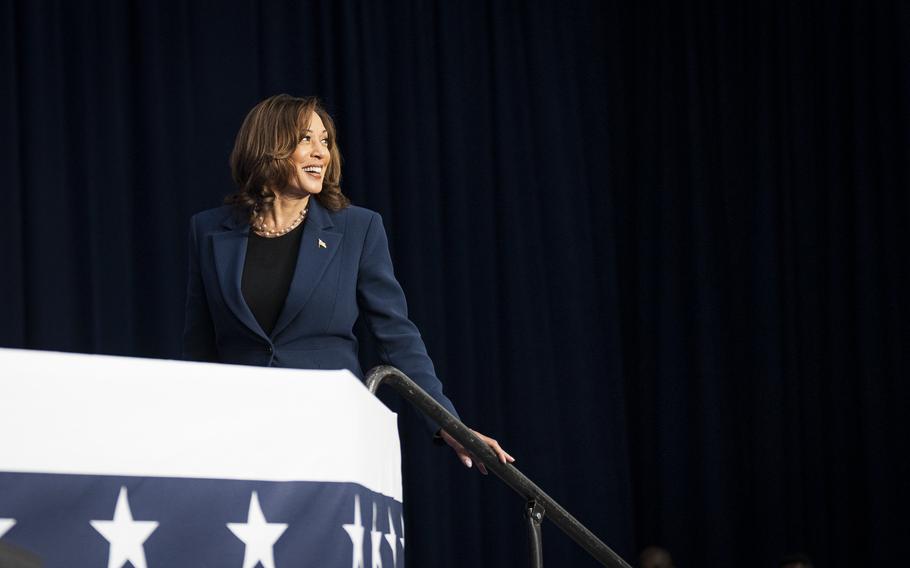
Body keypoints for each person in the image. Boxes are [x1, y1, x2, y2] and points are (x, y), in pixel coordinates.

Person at [182, 94, 513, 473]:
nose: (321, 152)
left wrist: (447, 423)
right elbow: (199, 346)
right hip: (241, 435)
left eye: (325, 141)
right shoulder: (208, 230)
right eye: (306, 139)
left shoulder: (357, 228)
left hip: (328, 432)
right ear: (267, 146)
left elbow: (397, 337)